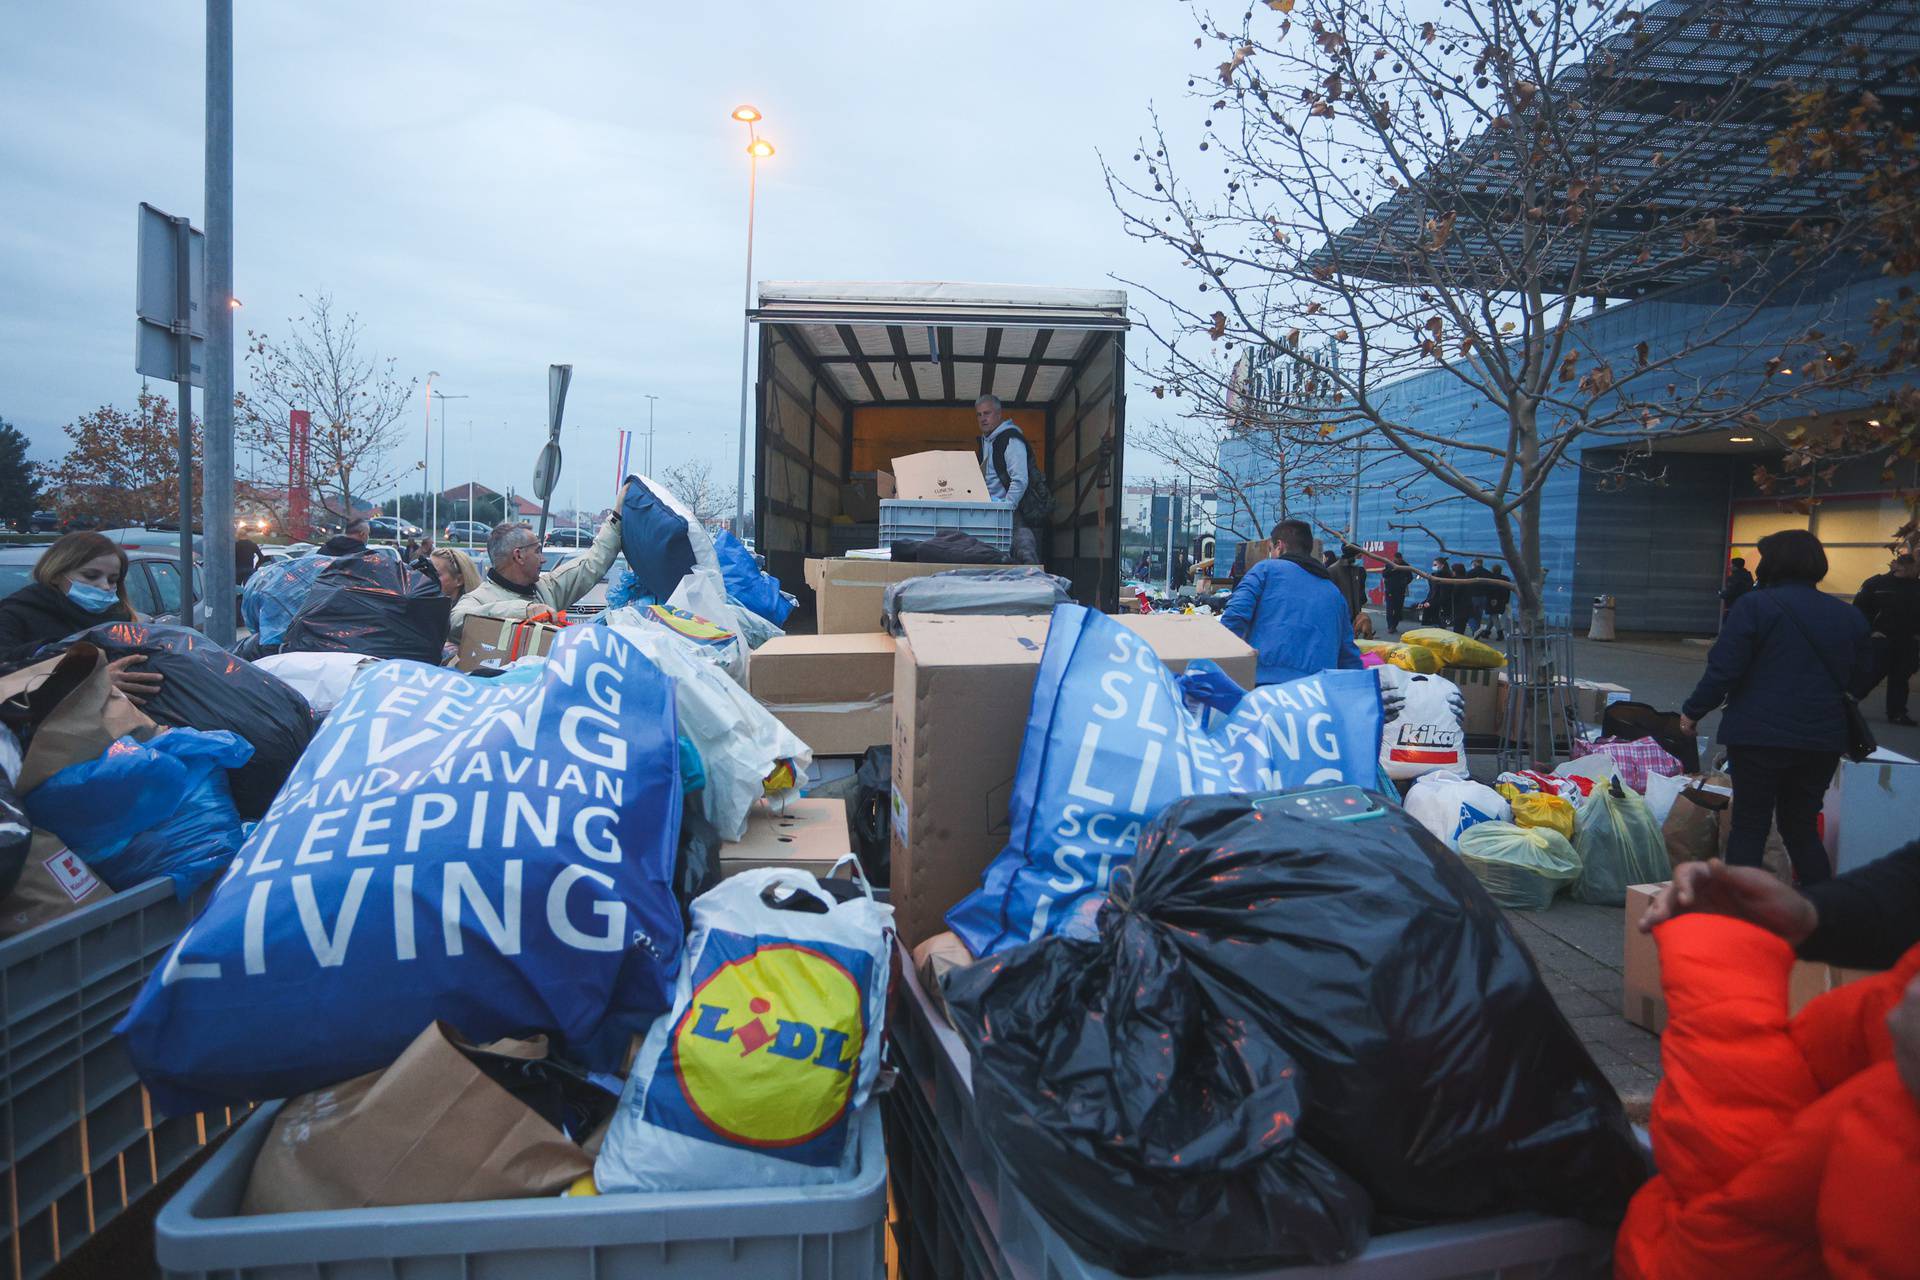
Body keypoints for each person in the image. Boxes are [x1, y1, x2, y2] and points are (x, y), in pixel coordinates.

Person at [1679, 528, 1873, 885]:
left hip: (1759, 734)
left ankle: (1741, 917)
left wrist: (1693, 711)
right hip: (1822, 737)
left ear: (1775, 563)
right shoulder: (1848, 615)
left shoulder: (1754, 606)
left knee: (1750, 825)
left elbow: (1724, 668)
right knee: (1800, 827)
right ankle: (1824, 912)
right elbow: (1868, 667)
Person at [0, 532, 163, 702]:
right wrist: (89, 682)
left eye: (113, 579)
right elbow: (7, 679)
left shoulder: (122, 622)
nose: (104, 586)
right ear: (55, 574)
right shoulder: (14, 615)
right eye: (91, 576)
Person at [1220, 519, 1363, 685]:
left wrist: (1216, 669)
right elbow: (1347, 654)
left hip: (1265, 687)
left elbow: (1234, 618)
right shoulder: (1334, 592)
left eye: (1271, 549)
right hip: (1316, 695)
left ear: (1279, 546)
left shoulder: (1265, 570)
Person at [449, 515, 620, 641]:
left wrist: (616, 518)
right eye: (537, 551)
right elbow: (456, 620)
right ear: (519, 556)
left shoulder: (546, 589)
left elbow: (592, 563)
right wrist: (525, 611)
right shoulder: (479, 599)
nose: (543, 559)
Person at [1855, 551, 1920, 727]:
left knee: (1900, 678)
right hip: (1881, 639)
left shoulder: (1917, 587)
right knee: (1871, 675)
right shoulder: (1877, 583)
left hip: (1908, 642)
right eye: (1917, 566)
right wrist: (1870, 631)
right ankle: (1846, 704)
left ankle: (1897, 713)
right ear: (1904, 565)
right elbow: (1859, 609)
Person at [977, 394, 1040, 565]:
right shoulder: (987, 441)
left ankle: (1033, 582)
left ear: (999, 414)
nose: (982, 418)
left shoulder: (1010, 439)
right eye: (979, 414)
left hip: (1010, 510)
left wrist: (1006, 509)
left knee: (1023, 548)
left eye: (987, 413)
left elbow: (1020, 480)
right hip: (991, 512)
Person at [1383, 552, 1414, 632]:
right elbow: (1384, 574)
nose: (1398, 561)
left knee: (1398, 609)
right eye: (1396, 559)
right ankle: (1390, 626)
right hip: (1390, 590)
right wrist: (1392, 570)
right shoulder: (1390, 564)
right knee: (1389, 608)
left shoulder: (1406, 566)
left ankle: (1394, 625)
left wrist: (1404, 583)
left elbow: (1410, 577)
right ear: (1394, 558)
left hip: (1400, 591)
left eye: (1399, 559)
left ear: (1401, 558)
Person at [1719, 555, 1754, 623]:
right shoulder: (1748, 576)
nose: (1729, 566)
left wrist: (1721, 594)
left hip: (1732, 606)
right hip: (1745, 606)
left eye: (1731, 564)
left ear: (1735, 566)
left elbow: (1730, 591)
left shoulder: (1733, 578)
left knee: (1728, 625)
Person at [1486, 564, 1512, 640]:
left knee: (1493, 615)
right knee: (1493, 615)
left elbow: (1489, 590)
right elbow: (1508, 590)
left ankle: (1499, 633)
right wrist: (1506, 600)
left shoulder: (1490, 578)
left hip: (1492, 599)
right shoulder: (1506, 578)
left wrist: (1491, 598)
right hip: (1502, 599)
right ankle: (1486, 631)